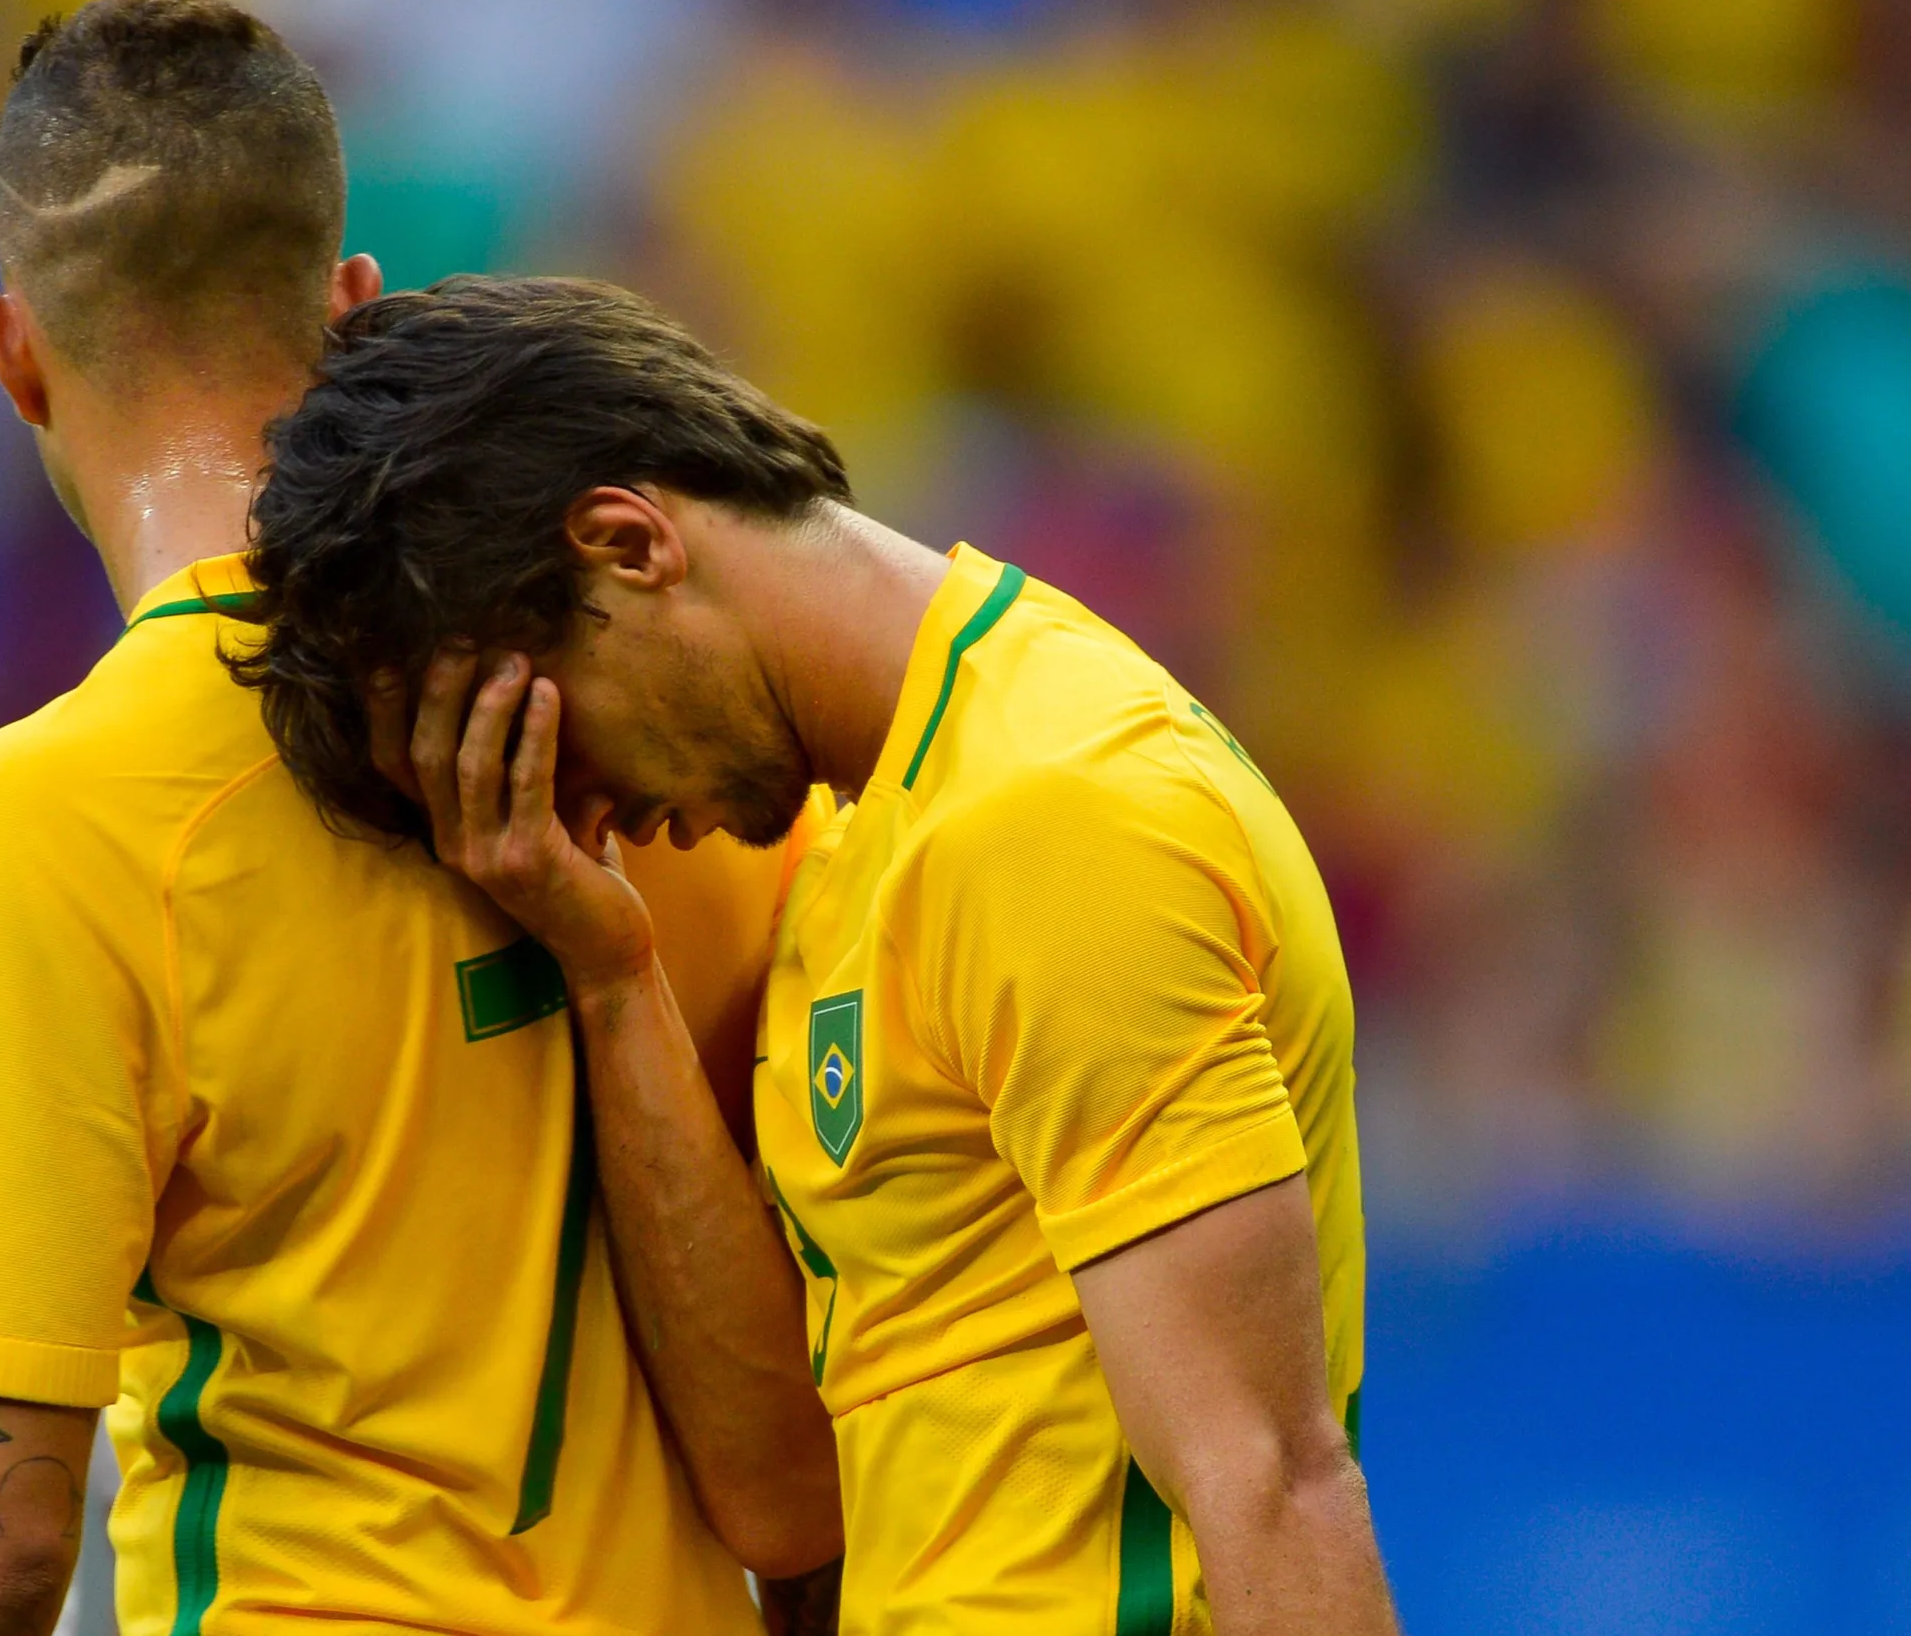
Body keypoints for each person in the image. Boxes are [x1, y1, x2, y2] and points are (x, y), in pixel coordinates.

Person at [232, 273, 1399, 1636]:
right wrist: (612, 972)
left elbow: (1271, 1476)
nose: (579, 807)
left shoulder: (1055, 814)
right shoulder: (872, 835)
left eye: (553, 731)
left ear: (628, 543)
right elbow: (796, 1508)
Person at [0, 0, 838, 1635]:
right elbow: (793, 1491)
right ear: (351, 307)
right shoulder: (643, 753)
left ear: (12, 352)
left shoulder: (58, 811)